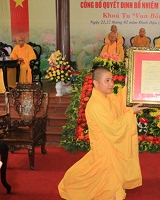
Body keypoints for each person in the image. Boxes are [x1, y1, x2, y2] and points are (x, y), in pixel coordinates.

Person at [58, 67, 147, 200]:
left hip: (110, 146)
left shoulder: (107, 98)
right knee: (105, 183)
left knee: (112, 186)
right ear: (95, 83)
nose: (111, 84)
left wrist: (127, 87)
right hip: (104, 149)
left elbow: (119, 103)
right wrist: (131, 112)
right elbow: (113, 127)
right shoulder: (96, 105)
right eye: (107, 80)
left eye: (112, 80)